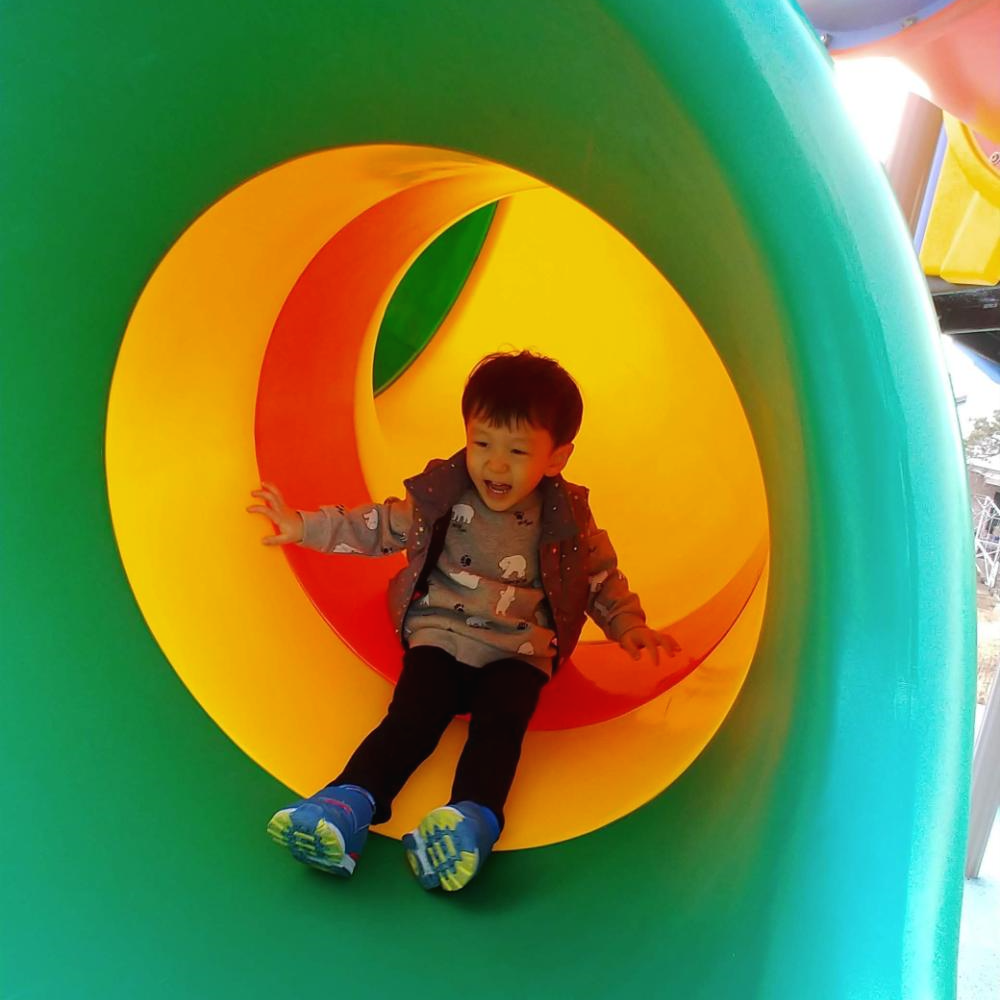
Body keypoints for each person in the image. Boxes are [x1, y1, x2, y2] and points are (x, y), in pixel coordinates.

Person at [247, 350, 679, 892]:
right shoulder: (444, 496)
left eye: (517, 451)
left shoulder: (568, 518)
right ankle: (347, 803)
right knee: (412, 716)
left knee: (501, 728)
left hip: (519, 651)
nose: (495, 465)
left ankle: (470, 823)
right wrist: (304, 526)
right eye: (482, 444)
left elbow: (598, 577)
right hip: (440, 634)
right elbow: (380, 525)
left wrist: (628, 625)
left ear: (556, 457)